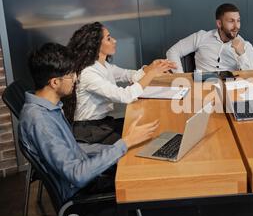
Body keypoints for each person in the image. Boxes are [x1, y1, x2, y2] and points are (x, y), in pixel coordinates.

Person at [18, 43, 160, 203]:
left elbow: (76, 147)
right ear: (54, 82)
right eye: (70, 75)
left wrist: (122, 148)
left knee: (144, 164)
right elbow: (77, 175)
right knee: (153, 183)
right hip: (82, 195)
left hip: (89, 173)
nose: (75, 79)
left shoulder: (48, 107)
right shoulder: (41, 122)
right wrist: (124, 145)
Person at [64, 22, 176, 145]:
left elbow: (127, 75)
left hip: (102, 123)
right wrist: (152, 73)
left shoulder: (102, 65)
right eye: (108, 39)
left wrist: (152, 67)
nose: (114, 40)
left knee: (147, 126)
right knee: (144, 138)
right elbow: (125, 96)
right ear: (96, 46)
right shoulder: (88, 73)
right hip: (89, 131)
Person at [166, 3, 253, 72]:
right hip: (200, 88)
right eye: (231, 21)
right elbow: (172, 51)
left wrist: (242, 54)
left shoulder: (246, 46)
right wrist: (181, 79)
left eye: (238, 21)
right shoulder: (201, 37)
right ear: (219, 23)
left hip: (230, 90)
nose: (236, 26)